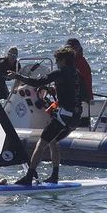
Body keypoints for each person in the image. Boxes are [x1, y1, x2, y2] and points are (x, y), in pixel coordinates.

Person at [9, 46, 83, 186]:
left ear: (64, 60)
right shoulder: (77, 74)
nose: (56, 63)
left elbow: (37, 82)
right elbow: (80, 94)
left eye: (57, 60)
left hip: (64, 116)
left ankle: (29, 177)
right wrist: (55, 90)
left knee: (42, 142)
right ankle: (54, 176)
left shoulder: (60, 72)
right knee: (53, 141)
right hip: (75, 118)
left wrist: (17, 76)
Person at [65, 37, 94, 116]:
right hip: (84, 97)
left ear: (78, 49)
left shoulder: (78, 63)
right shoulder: (78, 61)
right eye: (68, 49)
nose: (70, 51)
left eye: (73, 48)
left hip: (81, 98)